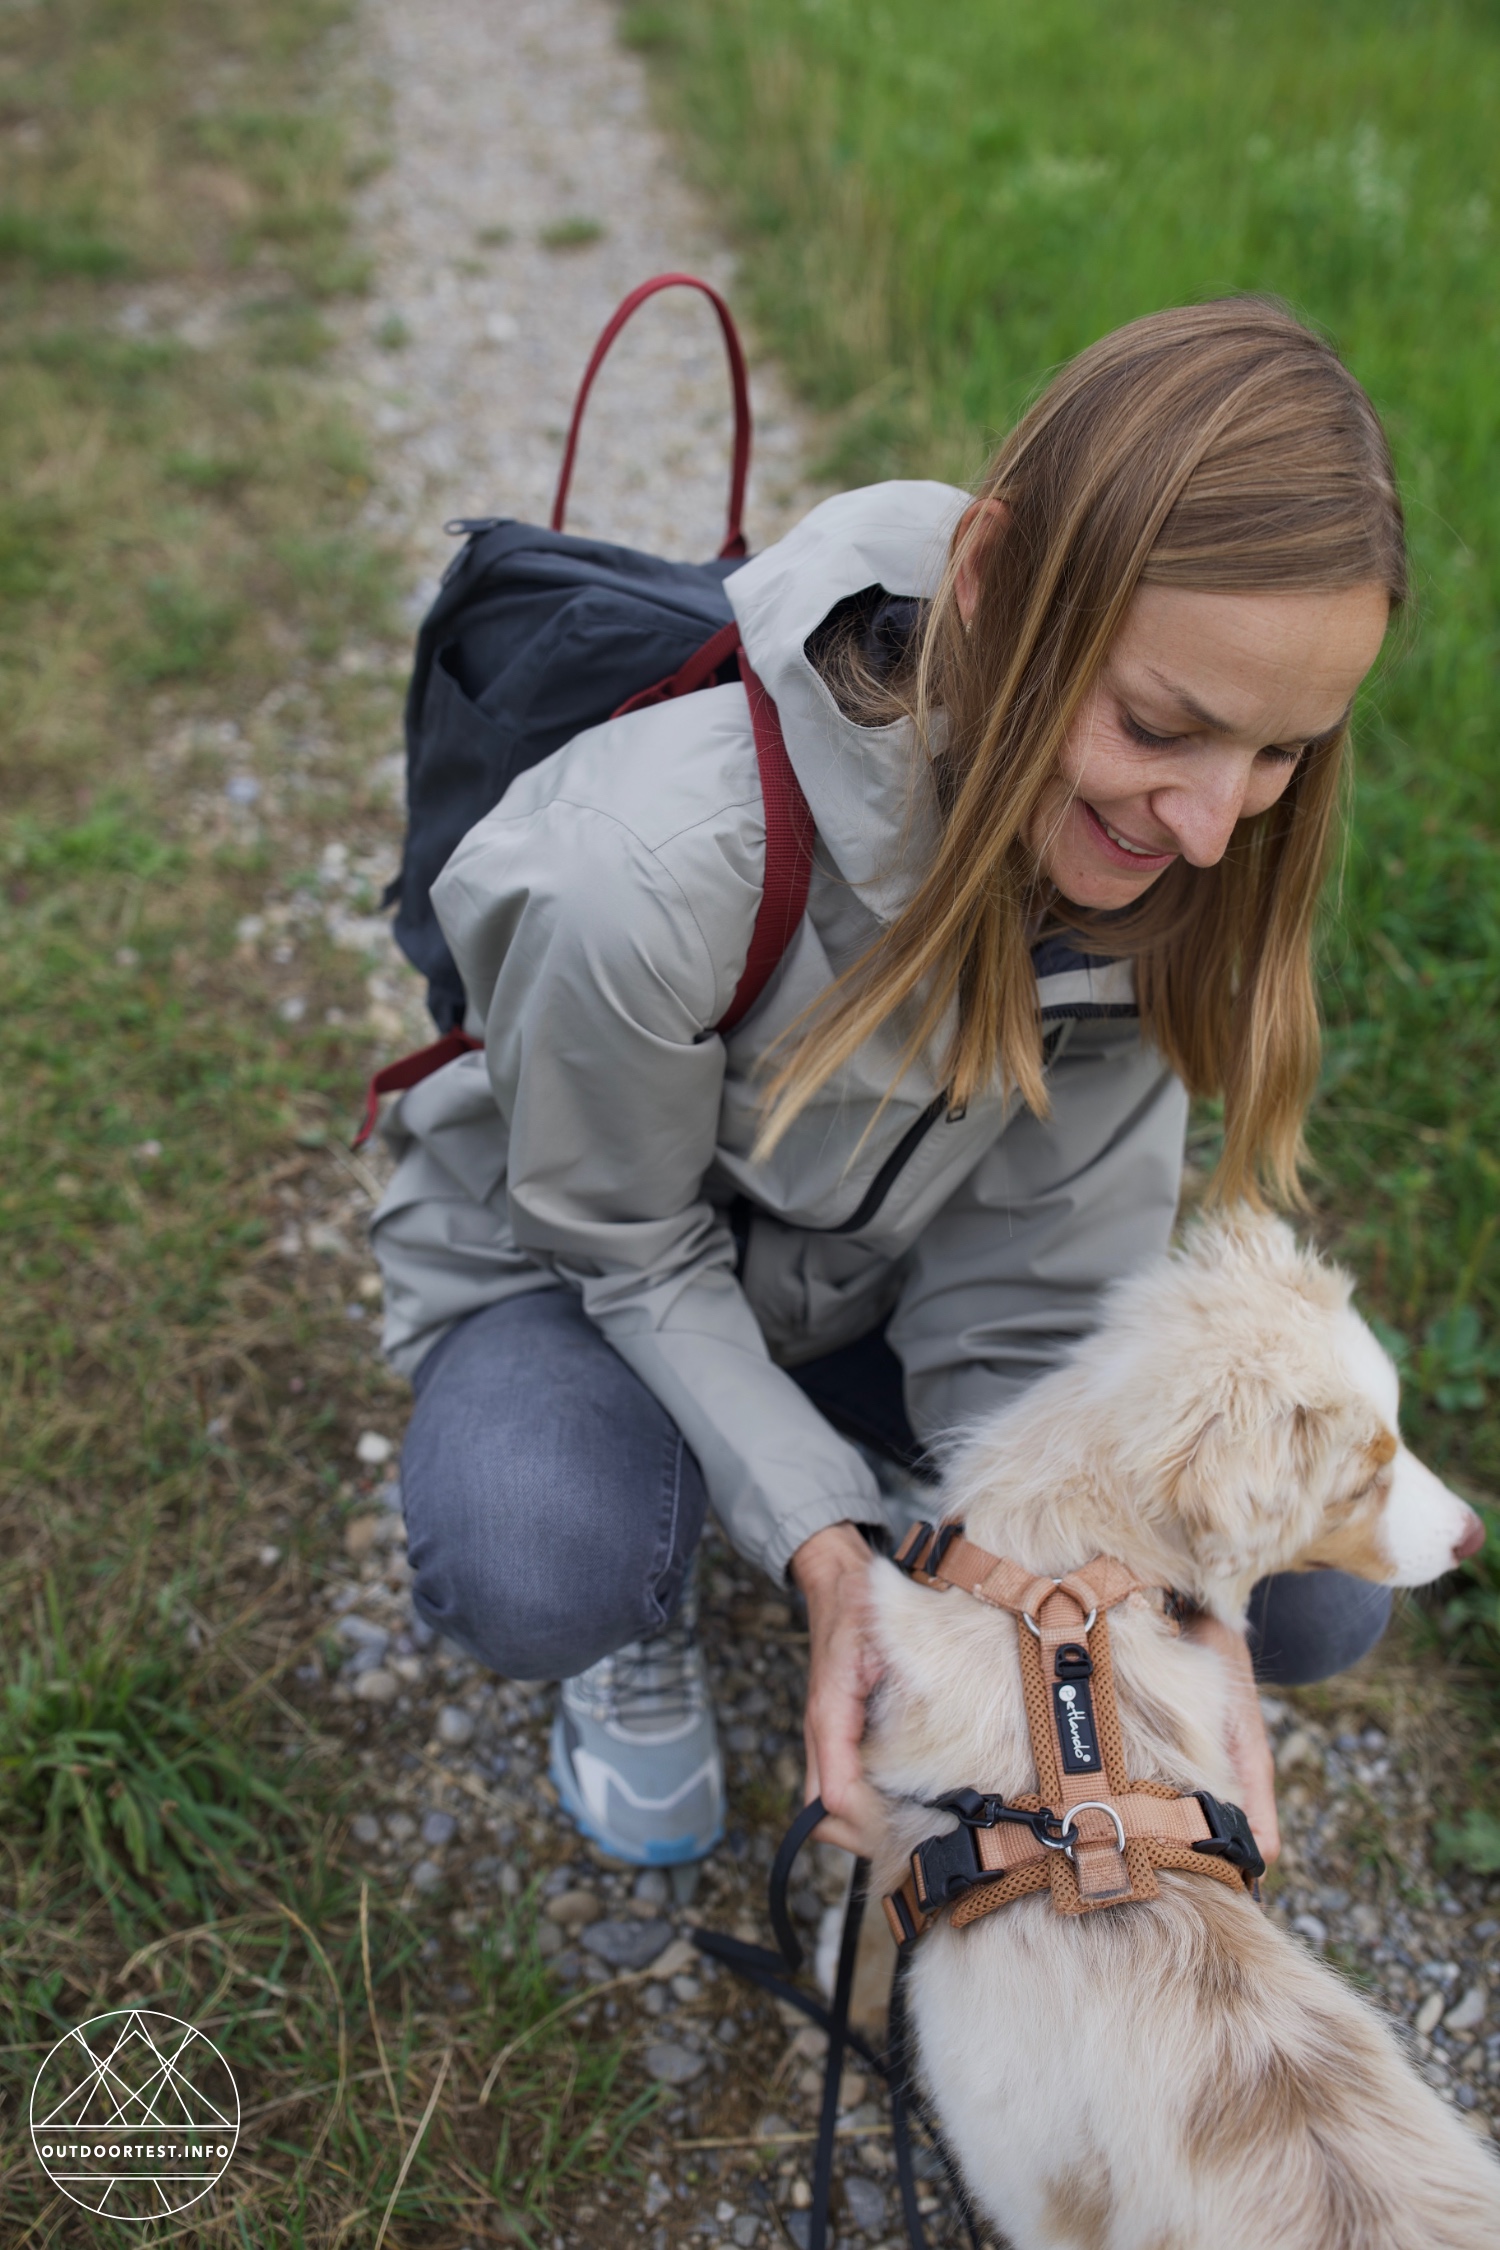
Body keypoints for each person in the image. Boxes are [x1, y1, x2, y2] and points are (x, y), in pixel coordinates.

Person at [369, 297, 1404, 1869]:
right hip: (590, 1281)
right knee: (537, 1535)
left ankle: (878, 1541)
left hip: (861, 1288)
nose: (1209, 826)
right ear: (989, 585)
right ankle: (638, 1607)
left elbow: (1041, 1300)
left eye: (1277, 758)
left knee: (1306, 1586)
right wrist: (825, 1543)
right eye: (1162, 725)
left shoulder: (1162, 857)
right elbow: (629, 1249)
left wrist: (1111, 1600)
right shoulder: (636, 870)